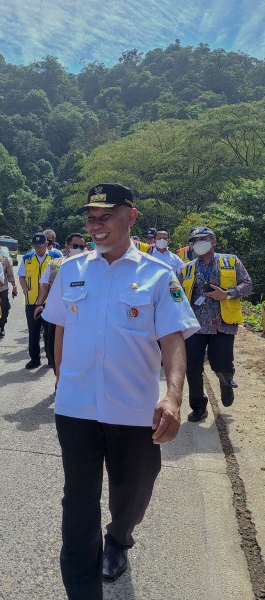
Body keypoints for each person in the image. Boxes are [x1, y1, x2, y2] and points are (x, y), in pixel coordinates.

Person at [42, 183, 199, 600]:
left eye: (106, 216)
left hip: (133, 411)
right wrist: (62, 380)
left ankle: (120, 536)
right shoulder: (71, 271)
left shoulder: (158, 274)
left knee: (133, 490)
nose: (97, 225)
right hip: (76, 410)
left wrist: (173, 396)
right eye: (91, 217)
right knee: (78, 502)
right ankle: (83, 591)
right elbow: (59, 329)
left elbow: (173, 339)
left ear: (130, 217)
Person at [179, 226, 253, 422]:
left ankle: (226, 382)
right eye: (195, 241)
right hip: (195, 326)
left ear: (213, 241)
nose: (198, 243)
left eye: (203, 239)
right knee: (192, 367)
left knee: (222, 364)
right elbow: (177, 296)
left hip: (223, 323)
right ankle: (198, 407)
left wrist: (227, 294)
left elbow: (248, 285)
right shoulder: (186, 268)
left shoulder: (231, 261)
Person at [18, 232, 61, 368]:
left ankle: (50, 359)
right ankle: (35, 359)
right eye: (35, 246)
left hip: (50, 302)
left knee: (50, 333)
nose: (38, 248)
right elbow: (21, 276)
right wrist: (27, 290)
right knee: (33, 332)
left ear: (47, 244)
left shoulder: (56, 257)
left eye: (40, 245)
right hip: (31, 302)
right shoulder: (27, 258)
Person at [0, 240, 18, 337]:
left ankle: (1, 326)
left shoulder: (5, 259)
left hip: (2, 288)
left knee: (4, 307)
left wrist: (14, 287)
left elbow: (10, 274)